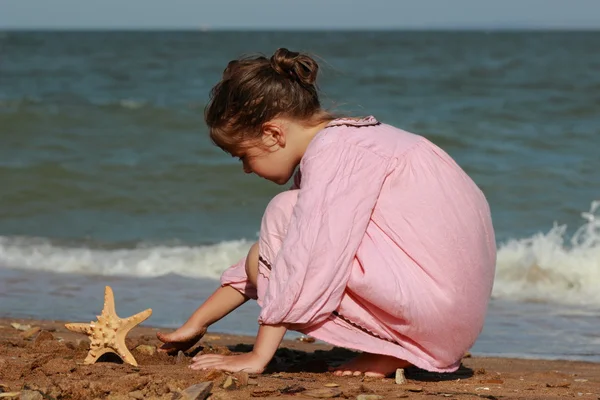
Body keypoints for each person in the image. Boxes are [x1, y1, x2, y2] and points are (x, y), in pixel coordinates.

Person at [157, 48, 496, 377]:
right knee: (279, 237)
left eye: (242, 155)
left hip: (429, 320)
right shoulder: (359, 140)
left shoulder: (331, 152)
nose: (246, 169)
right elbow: (274, 259)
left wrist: (259, 355)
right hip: (450, 316)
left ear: (273, 133)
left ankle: (394, 351)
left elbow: (304, 260)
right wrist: (196, 323)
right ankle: (396, 348)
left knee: (283, 213)